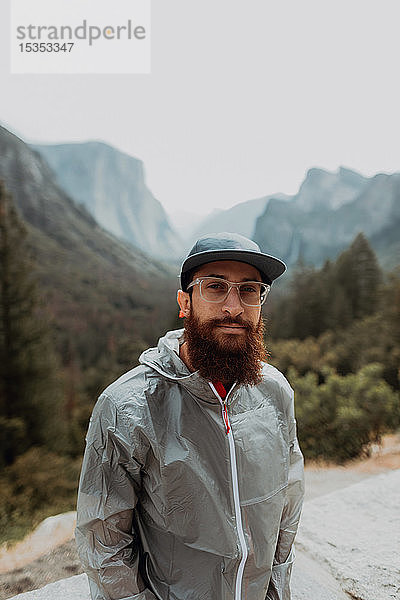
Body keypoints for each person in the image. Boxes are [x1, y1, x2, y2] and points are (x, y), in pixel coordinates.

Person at [76, 232, 304, 600]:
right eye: (215, 287)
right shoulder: (127, 406)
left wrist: (277, 592)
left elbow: (287, 510)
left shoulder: (275, 392)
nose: (234, 307)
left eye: (249, 290)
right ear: (185, 302)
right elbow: (104, 543)